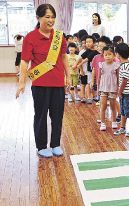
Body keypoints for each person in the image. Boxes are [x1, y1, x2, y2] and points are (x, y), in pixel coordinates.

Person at [15, 4, 70, 158]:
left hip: (58, 83)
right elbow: (25, 61)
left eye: (53, 17)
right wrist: (21, 83)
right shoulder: (30, 37)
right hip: (40, 85)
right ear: (38, 18)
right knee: (40, 115)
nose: (51, 20)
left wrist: (68, 75)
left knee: (57, 115)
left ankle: (55, 144)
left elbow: (64, 57)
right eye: (47, 17)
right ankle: (41, 146)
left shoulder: (59, 36)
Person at [114, 43, 129, 137]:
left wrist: (119, 92)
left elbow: (124, 81)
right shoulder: (126, 64)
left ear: (118, 54)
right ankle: (122, 128)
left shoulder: (125, 66)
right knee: (123, 111)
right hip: (125, 93)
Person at [98, 46, 120, 131]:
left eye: (110, 54)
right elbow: (99, 77)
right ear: (103, 56)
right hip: (103, 89)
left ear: (114, 55)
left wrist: (118, 88)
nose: (107, 56)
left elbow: (118, 78)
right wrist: (98, 88)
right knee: (103, 106)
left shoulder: (116, 65)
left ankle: (114, 121)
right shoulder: (101, 65)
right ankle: (103, 123)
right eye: (106, 55)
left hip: (113, 89)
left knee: (113, 106)